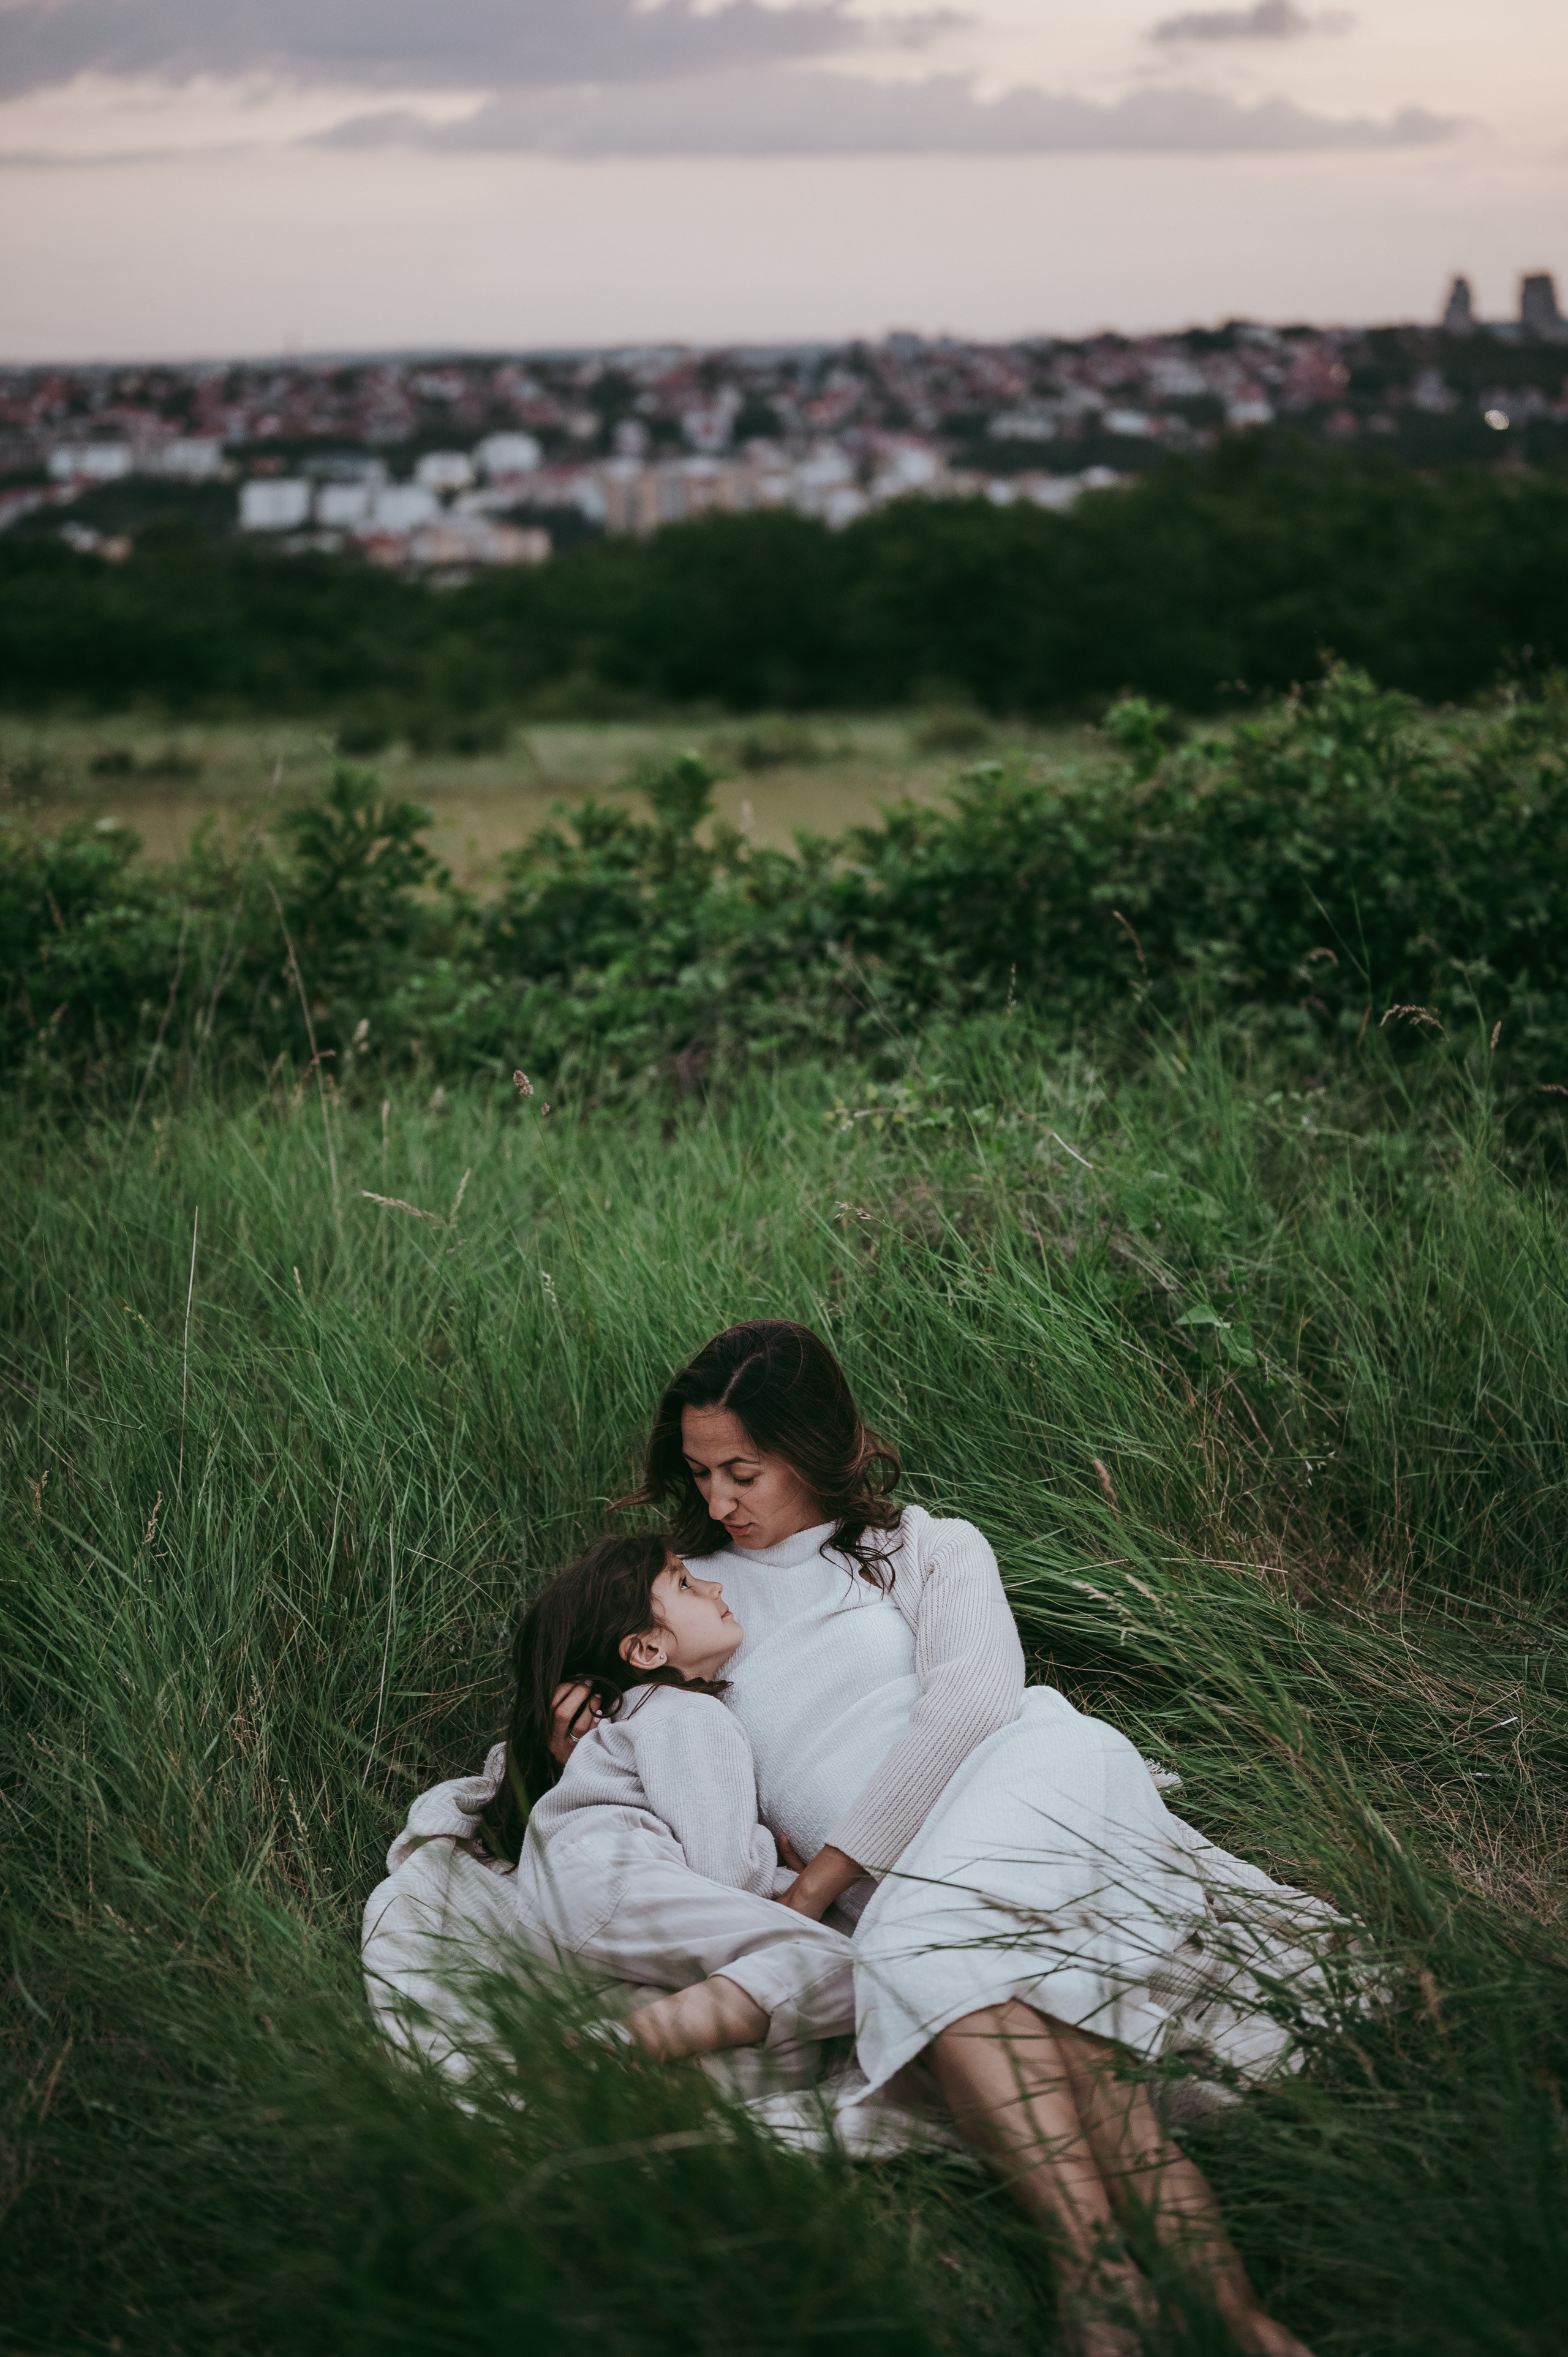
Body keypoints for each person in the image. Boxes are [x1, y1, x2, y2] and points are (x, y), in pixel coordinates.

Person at [551, 1321, 1330, 2357]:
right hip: (913, 1881)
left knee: (914, 1945)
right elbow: (654, 1736)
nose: (719, 1502)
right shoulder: (684, 1593)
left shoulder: (924, 1547)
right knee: (1051, 2029)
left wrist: (822, 1881)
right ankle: (1228, 2314)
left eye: (744, 1471)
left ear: (814, 1448)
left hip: (1023, 1777)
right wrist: (581, 1728)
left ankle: (1088, 2283)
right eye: (698, 1475)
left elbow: (971, 1702)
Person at [488, 1531, 855, 2068]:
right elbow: (724, 1870)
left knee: (753, 2001)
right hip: (612, 1879)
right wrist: (783, 1877)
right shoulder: (688, 1713)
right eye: (685, 1583)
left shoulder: (628, 1718)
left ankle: (617, 2048)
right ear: (646, 1648)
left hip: (555, 1904)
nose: (713, 1585)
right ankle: (619, 2048)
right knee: (860, 1969)